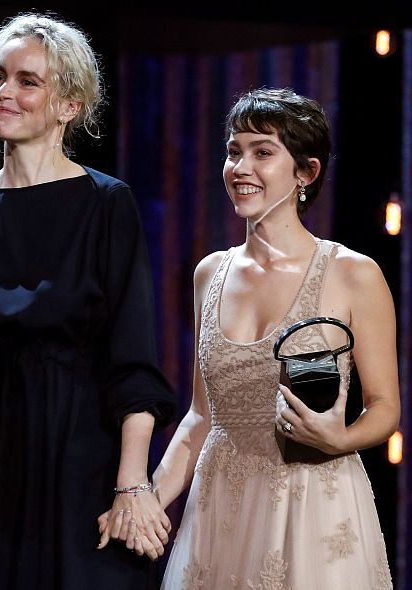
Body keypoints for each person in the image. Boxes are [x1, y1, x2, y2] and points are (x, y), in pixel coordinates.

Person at [0, 13, 176, 590]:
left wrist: (132, 482)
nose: (3, 92)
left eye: (28, 81)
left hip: (80, 461)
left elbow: (133, 358)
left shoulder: (106, 204)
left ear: (70, 106)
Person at [154, 88, 396, 589]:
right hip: (222, 507)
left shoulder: (353, 273)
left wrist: (342, 438)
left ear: (306, 173)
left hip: (313, 504)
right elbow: (202, 415)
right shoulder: (210, 273)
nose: (240, 166)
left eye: (262, 152)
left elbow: (385, 406)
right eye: (233, 151)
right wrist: (146, 499)